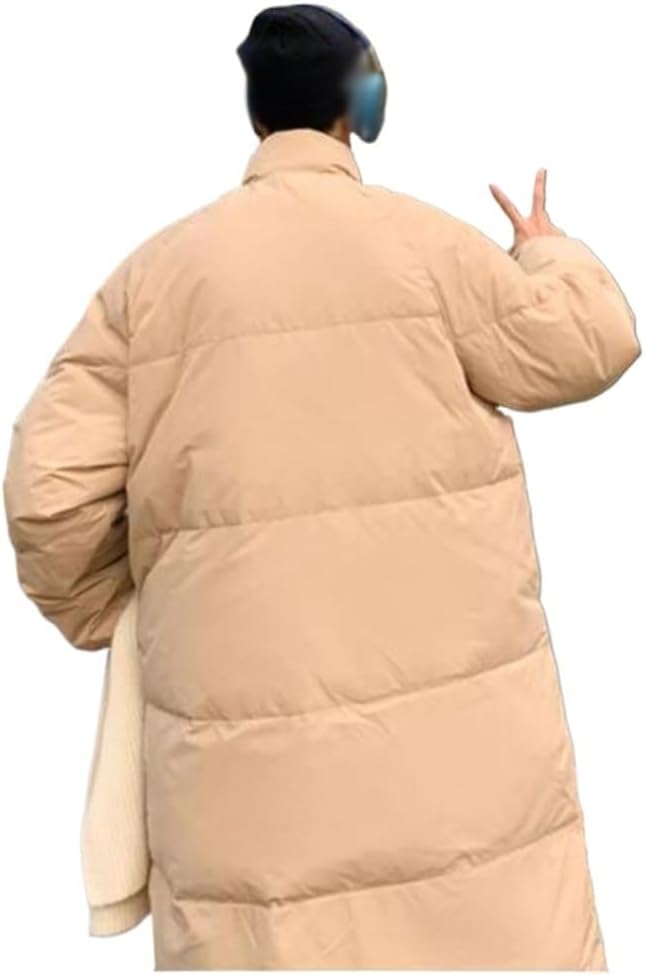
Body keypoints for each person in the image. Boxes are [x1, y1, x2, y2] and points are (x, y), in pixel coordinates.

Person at [3, 4, 639, 970]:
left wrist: (121, 609)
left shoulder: (152, 278)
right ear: (362, 107)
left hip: (246, 782)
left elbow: (48, 492)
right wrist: (548, 251)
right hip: (450, 764)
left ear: (255, 112)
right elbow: (589, 345)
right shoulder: (431, 249)